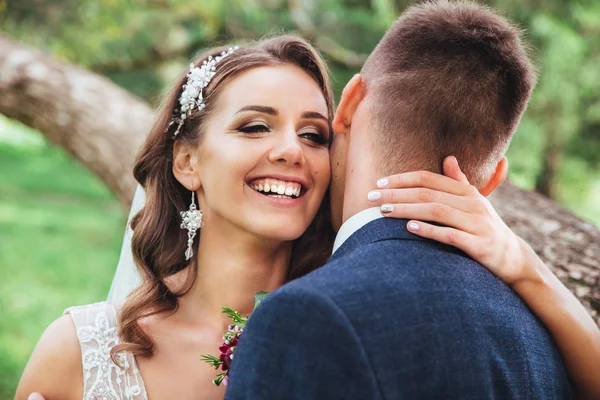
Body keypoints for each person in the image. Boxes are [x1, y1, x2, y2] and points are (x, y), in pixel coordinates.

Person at [16, 15, 600, 400]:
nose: (290, 151)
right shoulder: (80, 350)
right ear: (186, 162)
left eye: (315, 135)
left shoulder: (349, 320)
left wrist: (526, 265)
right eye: (254, 126)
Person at [224, 2, 600, 400]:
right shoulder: (550, 336)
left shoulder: (306, 317)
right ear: (492, 179)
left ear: (349, 103)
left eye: (312, 135)